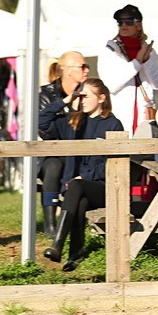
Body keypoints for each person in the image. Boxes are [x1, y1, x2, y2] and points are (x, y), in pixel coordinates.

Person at [39, 78, 123, 270]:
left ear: (102, 98)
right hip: (76, 190)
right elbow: (42, 120)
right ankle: (75, 254)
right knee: (80, 200)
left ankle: (58, 244)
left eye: (86, 96)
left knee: (76, 186)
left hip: (103, 187)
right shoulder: (73, 122)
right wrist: (65, 101)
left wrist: (86, 176)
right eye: (80, 96)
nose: (82, 100)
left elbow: (113, 165)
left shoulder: (113, 124)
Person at [37, 51, 89, 236]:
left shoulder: (89, 92)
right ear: (67, 71)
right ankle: (50, 225)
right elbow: (44, 130)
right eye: (82, 66)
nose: (87, 70)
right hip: (53, 152)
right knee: (53, 166)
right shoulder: (47, 94)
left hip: (82, 151)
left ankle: (75, 221)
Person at [99, 4, 158, 135]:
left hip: (144, 117)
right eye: (120, 22)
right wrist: (137, 62)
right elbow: (111, 85)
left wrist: (147, 61)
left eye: (129, 21)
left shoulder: (148, 51)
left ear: (138, 25)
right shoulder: (110, 50)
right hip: (120, 117)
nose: (124, 25)